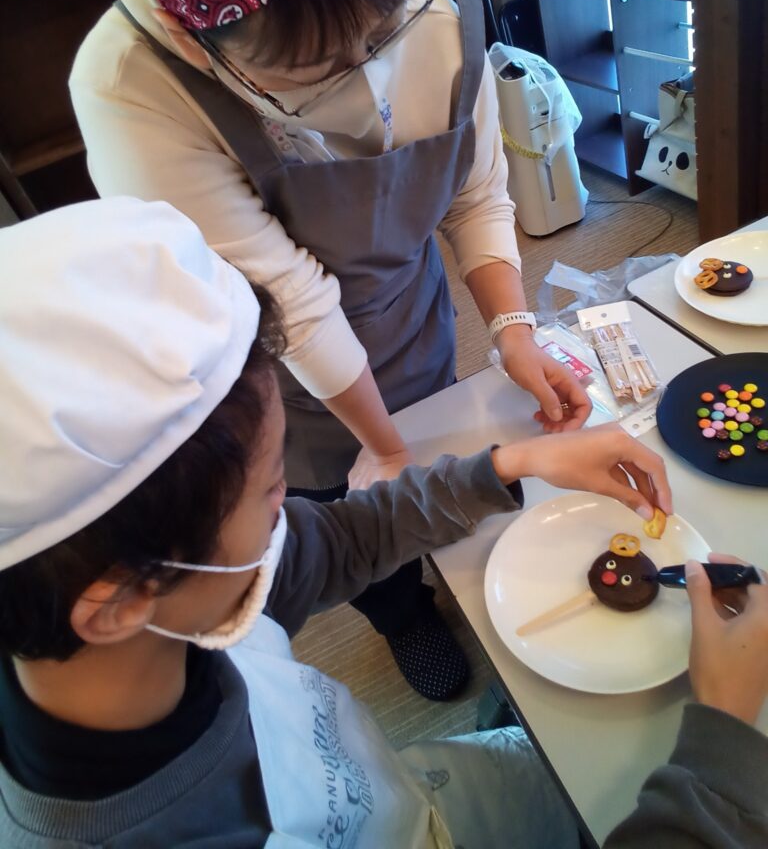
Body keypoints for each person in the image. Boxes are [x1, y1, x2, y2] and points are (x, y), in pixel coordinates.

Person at [1, 197, 766, 849]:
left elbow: (340, 540)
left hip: (406, 793)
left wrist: (514, 463)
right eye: (271, 492)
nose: (292, 510)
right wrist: (723, 739)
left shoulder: (156, 603)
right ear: (120, 602)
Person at [27, 0, 591, 700]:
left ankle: (440, 556)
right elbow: (293, 305)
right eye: (319, 70)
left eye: (381, 34)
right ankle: (404, 615)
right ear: (195, 31)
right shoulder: (133, 83)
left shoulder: (435, 5)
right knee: (343, 521)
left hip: (410, 318)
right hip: (289, 385)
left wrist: (513, 332)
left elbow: (473, 192)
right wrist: (388, 448)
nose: (366, 75)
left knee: (444, 466)